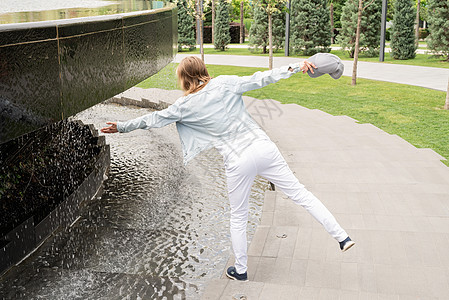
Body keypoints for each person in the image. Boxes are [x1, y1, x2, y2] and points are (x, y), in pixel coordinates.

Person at [101, 56, 355, 282]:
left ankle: (241, 270)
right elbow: (261, 78)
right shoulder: (223, 83)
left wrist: (121, 127)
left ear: (183, 78)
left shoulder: (183, 106)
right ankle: (342, 237)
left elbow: (153, 119)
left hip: (238, 160)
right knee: (301, 194)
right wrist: (297, 66)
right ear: (203, 70)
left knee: (238, 215)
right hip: (263, 147)